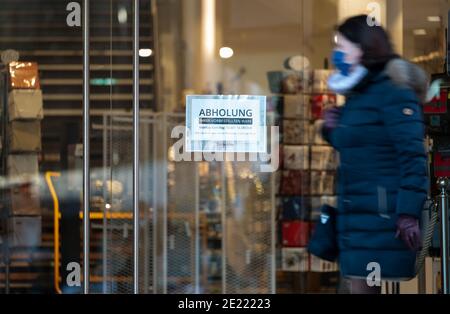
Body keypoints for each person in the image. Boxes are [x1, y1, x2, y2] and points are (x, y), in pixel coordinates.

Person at [322, 15, 429, 294]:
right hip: (358, 214)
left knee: (365, 288)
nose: (337, 52)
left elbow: (413, 155)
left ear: (362, 47)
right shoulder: (361, 92)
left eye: (342, 45)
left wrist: (407, 213)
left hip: (380, 217)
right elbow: (362, 144)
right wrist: (332, 129)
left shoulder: (392, 91)